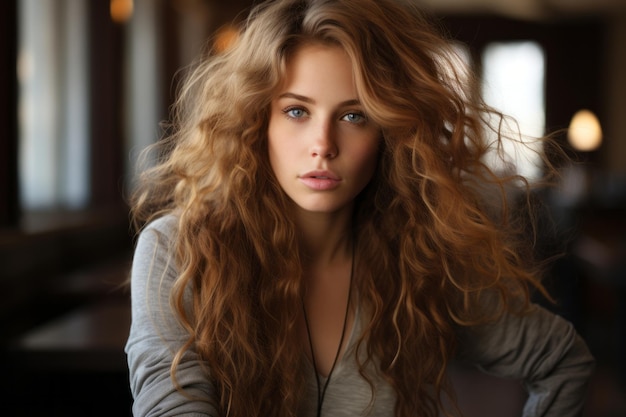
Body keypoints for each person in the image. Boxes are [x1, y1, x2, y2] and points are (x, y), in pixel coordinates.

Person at [125, 0, 595, 416]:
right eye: (296, 111)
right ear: (256, 121)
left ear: (388, 132)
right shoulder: (178, 251)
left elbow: (561, 360)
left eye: (354, 116)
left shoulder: (421, 257)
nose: (323, 146)